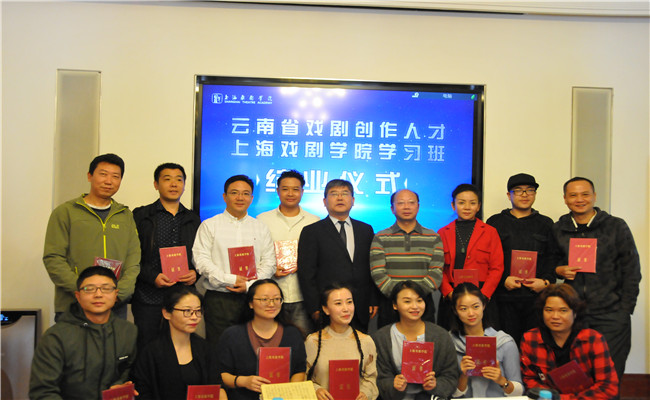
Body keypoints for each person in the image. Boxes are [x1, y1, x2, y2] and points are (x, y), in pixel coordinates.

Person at [552, 177, 641, 379]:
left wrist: (625, 309)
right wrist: (558, 270)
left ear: (594, 196)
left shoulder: (616, 226)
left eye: (585, 194)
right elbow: (550, 263)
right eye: (573, 195)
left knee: (610, 373)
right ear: (565, 199)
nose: (579, 199)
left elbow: (632, 269)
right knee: (575, 374)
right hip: (573, 314)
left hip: (611, 312)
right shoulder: (558, 229)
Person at [43, 153, 140, 320]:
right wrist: (84, 290)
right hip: (73, 305)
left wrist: (118, 293)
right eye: (103, 174)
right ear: (90, 176)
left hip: (114, 306)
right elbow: (53, 258)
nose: (109, 181)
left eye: (115, 176)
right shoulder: (66, 212)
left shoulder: (125, 215)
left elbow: (133, 259)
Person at [29, 266, 138, 400]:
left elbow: (127, 372)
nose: (98, 294)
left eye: (106, 288)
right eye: (89, 289)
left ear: (116, 295)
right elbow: (42, 392)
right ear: (78, 296)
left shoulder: (128, 331)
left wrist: (120, 386)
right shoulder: (56, 336)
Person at [193, 174, 276, 343]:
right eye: (234, 193)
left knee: (252, 346)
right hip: (219, 299)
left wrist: (249, 285)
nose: (240, 197)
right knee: (219, 347)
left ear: (251, 198)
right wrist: (230, 279)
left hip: (253, 297)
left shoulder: (261, 227)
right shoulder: (209, 225)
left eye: (245, 193)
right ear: (225, 196)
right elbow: (200, 260)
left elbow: (269, 263)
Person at [132, 162, 201, 350]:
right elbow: (131, 256)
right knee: (147, 347)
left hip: (183, 296)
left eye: (179, 180)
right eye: (167, 179)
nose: (173, 184)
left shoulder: (193, 219)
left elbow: (201, 255)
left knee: (181, 347)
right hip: (148, 296)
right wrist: (151, 276)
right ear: (156, 184)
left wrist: (196, 273)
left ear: (184, 185)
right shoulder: (141, 216)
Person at [298, 179, 378, 332]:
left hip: (360, 306)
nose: (340, 198)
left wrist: (373, 299)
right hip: (327, 308)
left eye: (345, 194)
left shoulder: (366, 230)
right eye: (334, 194)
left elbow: (372, 267)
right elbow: (306, 273)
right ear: (324, 201)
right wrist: (314, 307)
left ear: (353, 200)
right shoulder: (312, 231)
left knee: (358, 345)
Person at [486, 173, 556, 344]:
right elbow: (487, 258)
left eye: (529, 190)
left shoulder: (546, 224)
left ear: (535, 194)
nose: (524, 195)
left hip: (535, 299)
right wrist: (503, 280)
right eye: (518, 190)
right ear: (508, 195)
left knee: (534, 346)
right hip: (503, 298)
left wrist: (545, 282)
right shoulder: (495, 222)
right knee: (503, 345)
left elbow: (552, 256)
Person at [520, 283, 619, 399]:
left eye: (563, 310)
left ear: (575, 313)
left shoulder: (593, 340)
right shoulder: (531, 339)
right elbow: (529, 380)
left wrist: (562, 398)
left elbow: (608, 387)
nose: (555, 316)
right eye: (549, 310)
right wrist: (550, 396)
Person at [131, 285, 227, 400]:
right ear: (167, 313)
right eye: (187, 311)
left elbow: (216, 387)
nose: (194, 317)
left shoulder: (206, 349)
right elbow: (143, 393)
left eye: (198, 311)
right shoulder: (151, 352)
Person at [217, 279, 307, 400]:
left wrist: (288, 392)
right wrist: (244, 381)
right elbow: (221, 374)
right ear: (250, 303)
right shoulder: (232, 335)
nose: (271, 304)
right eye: (264, 299)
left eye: (276, 299)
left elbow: (299, 370)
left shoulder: (292, 334)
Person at [371, 281, 459, 400]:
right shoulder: (382, 338)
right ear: (395, 305)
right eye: (407, 301)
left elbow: (451, 376)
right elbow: (379, 378)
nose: (415, 306)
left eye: (419, 300)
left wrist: (435, 384)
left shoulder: (441, 336)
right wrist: (392, 385)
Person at [257, 170, 320, 335]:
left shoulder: (314, 221)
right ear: (277, 191)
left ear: (302, 192)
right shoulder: (262, 220)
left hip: (302, 296)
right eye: (285, 189)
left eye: (295, 189)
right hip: (270, 296)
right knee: (271, 340)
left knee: (303, 342)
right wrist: (270, 269)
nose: (290, 194)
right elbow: (256, 255)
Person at [370, 189, 443, 329]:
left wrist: (415, 297)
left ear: (418, 206)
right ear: (392, 209)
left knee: (424, 342)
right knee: (388, 342)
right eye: (401, 203)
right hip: (391, 305)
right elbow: (378, 273)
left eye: (411, 202)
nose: (406, 207)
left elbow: (436, 273)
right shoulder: (380, 238)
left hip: (423, 304)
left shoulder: (433, 237)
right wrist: (400, 298)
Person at [437, 183, 503, 330]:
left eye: (472, 203)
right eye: (461, 203)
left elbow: (497, 268)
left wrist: (483, 296)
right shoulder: (442, 233)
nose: (467, 207)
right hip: (452, 296)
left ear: (478, 206)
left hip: (481, 297)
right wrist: (449, 293)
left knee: (482, 340)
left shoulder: (490, 232)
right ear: (453, 206)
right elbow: (438, 268)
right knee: (450, 338)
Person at [449, 282, 524, 397]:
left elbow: (519, 392)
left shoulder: (504, 342)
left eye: (476, 307)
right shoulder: (450, 342)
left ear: (483, 305)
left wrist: (501, 380)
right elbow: (451, 394)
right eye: (463, 309)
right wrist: (464, 375)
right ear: (455, 310)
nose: (471, 313)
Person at [305, 283, 378, 400]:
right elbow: (304, 377)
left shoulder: (366, 341)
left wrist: (365, 393)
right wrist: (316, 390)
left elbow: (371, 378)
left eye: (349, 302)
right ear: (326, 309)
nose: (346, 309)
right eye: (338, 303)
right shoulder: (313, 341)